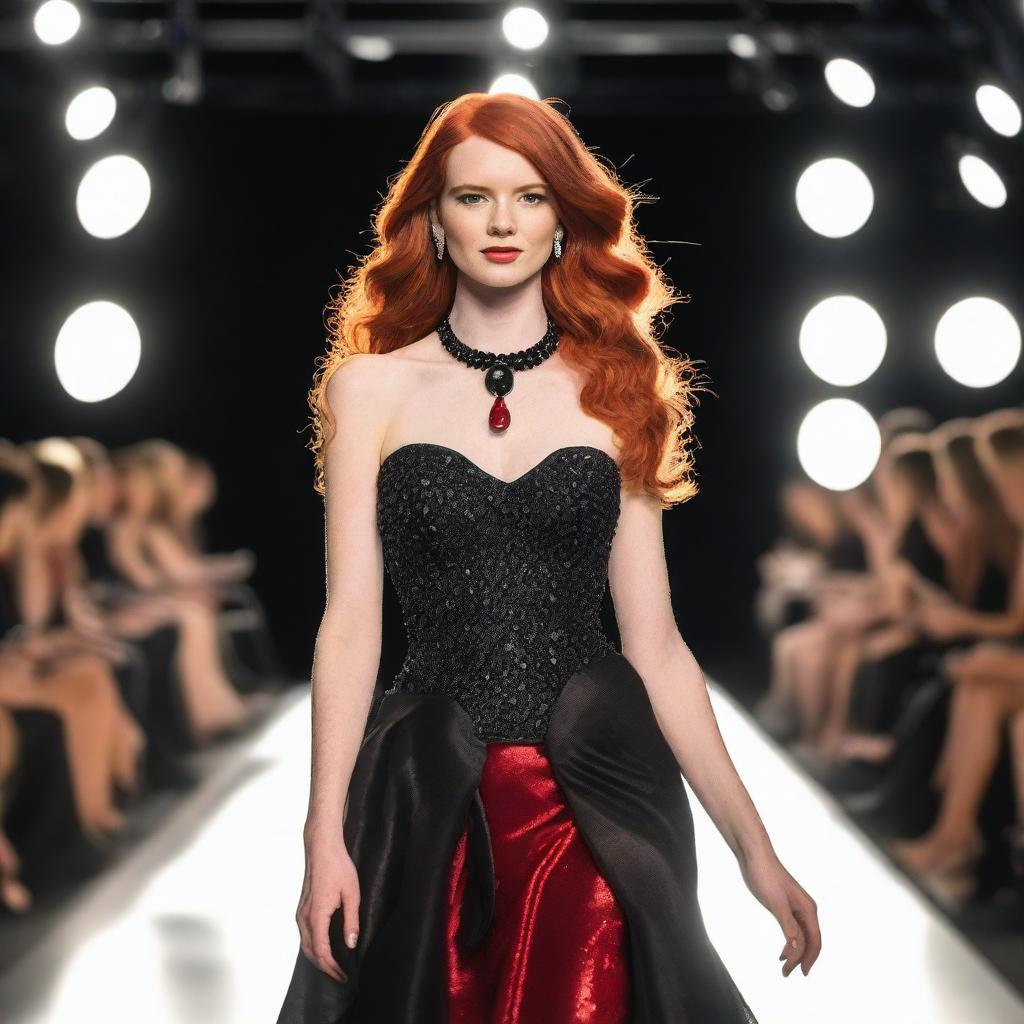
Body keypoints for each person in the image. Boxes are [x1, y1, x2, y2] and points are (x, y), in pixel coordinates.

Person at [276, 92, 820, 1023]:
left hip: (601, 787)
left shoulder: (619, 388)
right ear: (433, 220)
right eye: (472, 197)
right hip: (427, 796)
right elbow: (351, 624)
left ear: (565, 218)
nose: (501, 221)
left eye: (530, 196)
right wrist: (322, 834)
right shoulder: (369, 389)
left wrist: (753, 849)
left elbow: (657, 647)